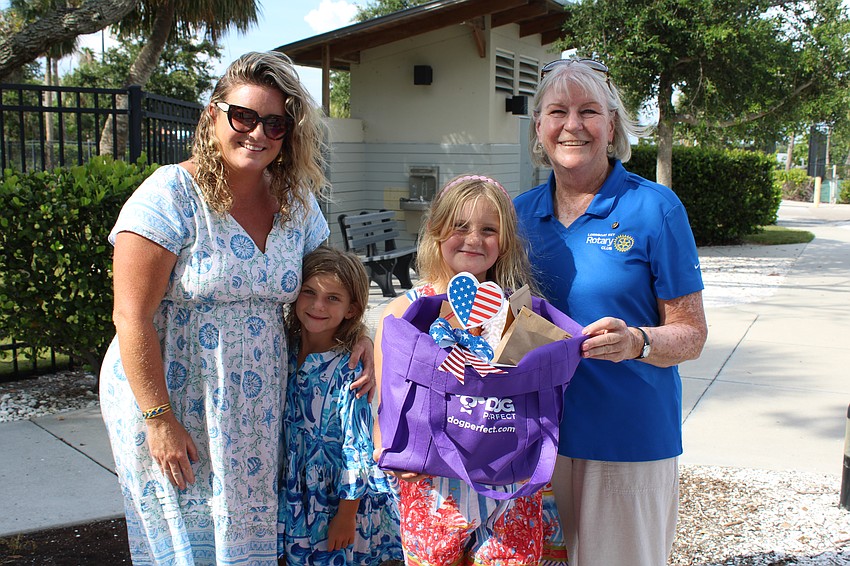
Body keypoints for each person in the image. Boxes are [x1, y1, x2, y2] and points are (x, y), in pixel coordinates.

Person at [99, 51, 374, 564]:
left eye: (275, 123)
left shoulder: (298, 204)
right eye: (243, 116)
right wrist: (159, 418)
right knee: (186, 543)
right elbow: (130, 316)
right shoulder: (169, 195)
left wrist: (357, 335)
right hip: (174, 399)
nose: (258, 133)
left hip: (257, 411)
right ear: (213, 115)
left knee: (247, 542)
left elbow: (326, 286)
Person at [514, 58, 709, 566]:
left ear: (612, 125)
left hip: (628, 441)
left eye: (589, 111)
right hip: (531, 442)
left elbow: (690, 333)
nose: (572, 125)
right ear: (539, 126)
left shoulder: (655, 208)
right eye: (557, 111)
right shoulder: (514, 215)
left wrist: (638, 342)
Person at [374, 174, 568, 565]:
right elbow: (387, 402)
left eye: (488, 229)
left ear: (506, 241)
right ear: (434, 229)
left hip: (507, 485)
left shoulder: (522, 313)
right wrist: (387, 449)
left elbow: (542, 395)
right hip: (432, 487)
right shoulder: (402, 314)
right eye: (460, 226)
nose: (473, 239)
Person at [278, 246, 403, 565]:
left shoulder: (350, 371)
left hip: (339, 498)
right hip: (298, 491)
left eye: (333, 298)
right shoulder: (284, 348)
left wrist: (346, 516)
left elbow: (357, 449)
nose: (318, 305)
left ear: (351, 309)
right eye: (309, 292)